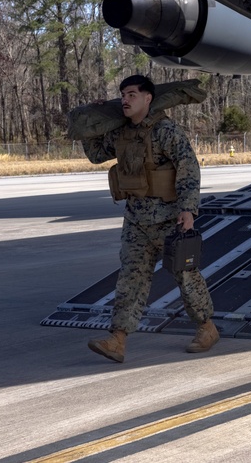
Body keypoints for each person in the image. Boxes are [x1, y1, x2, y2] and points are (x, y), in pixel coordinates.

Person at [82, 75, 218, 362]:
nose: (125, 100)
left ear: (148, 98)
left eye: (132, 94)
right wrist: (92, 121)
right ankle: (117, 339)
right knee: (130, 278)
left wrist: (188, 210)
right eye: (122, 94)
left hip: (170, 219)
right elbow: (96, 154)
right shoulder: (120, 132)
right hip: (136, 221)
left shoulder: (165, 130)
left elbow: (188, 167)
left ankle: (206, 327)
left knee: (185, 276)